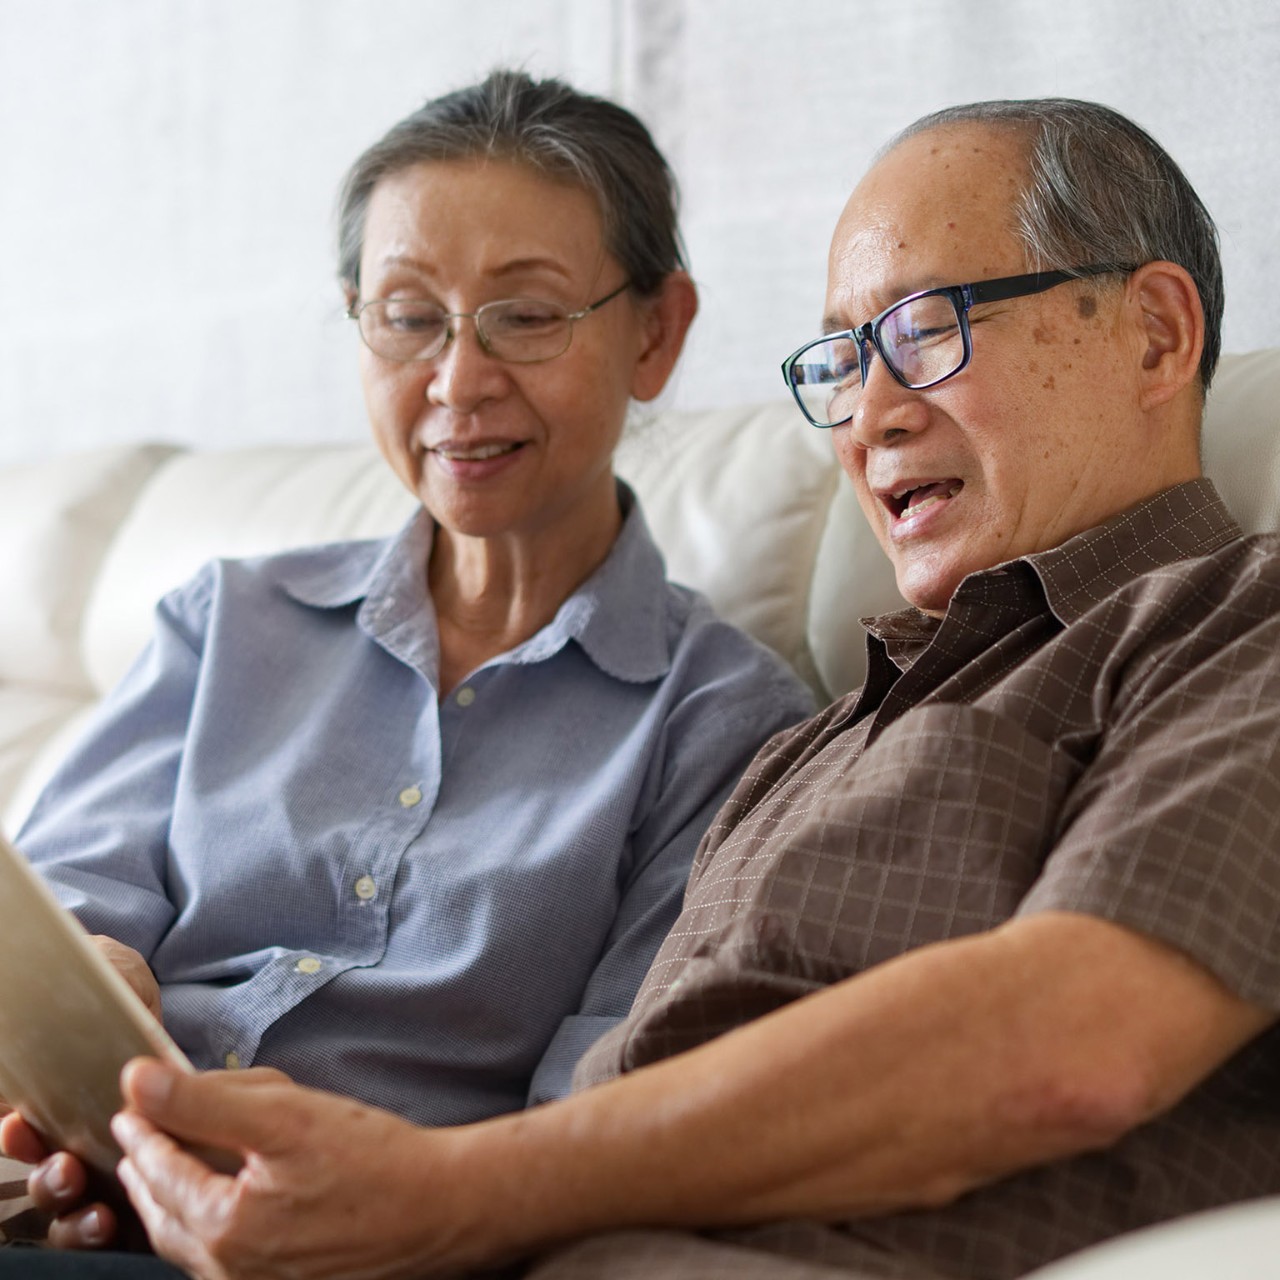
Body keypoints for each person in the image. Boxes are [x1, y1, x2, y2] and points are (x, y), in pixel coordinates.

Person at [8, 94, 1280, 1280]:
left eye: (925, 329)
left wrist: (441, 1188)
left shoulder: (1231, 625)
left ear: (1156, 332)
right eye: (843, 356)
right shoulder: (836, 729)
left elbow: (1073, 1038)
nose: (866, 413)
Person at [0, 69, 814, 1257]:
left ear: (656, 331)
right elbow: (55, 909)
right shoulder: (227, 618)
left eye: (525, 315)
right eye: (406, 314)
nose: (456, 382)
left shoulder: (725, 720)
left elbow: (603, 1106)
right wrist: (89, 1005)